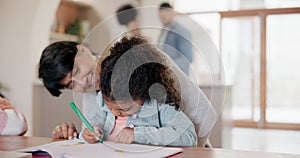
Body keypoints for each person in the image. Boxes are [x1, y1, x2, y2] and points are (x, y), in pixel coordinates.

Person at [82, 35, 197, 146]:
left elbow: (189, 136)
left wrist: (140, 135)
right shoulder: (101, 100)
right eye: (109, 107)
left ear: (144, 93)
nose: (114, 113)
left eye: (125, 109)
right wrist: (90, 132)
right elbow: (93, 124)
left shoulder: (159, 107)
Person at [157, 2, 193, 76]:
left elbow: (187, 58)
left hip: (178, 77)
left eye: (164, 17)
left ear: (171, 13)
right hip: (166, 75)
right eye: (160, 17)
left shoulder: (182, 32)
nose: (162, 20)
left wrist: (168, 66)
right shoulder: (164, 31)